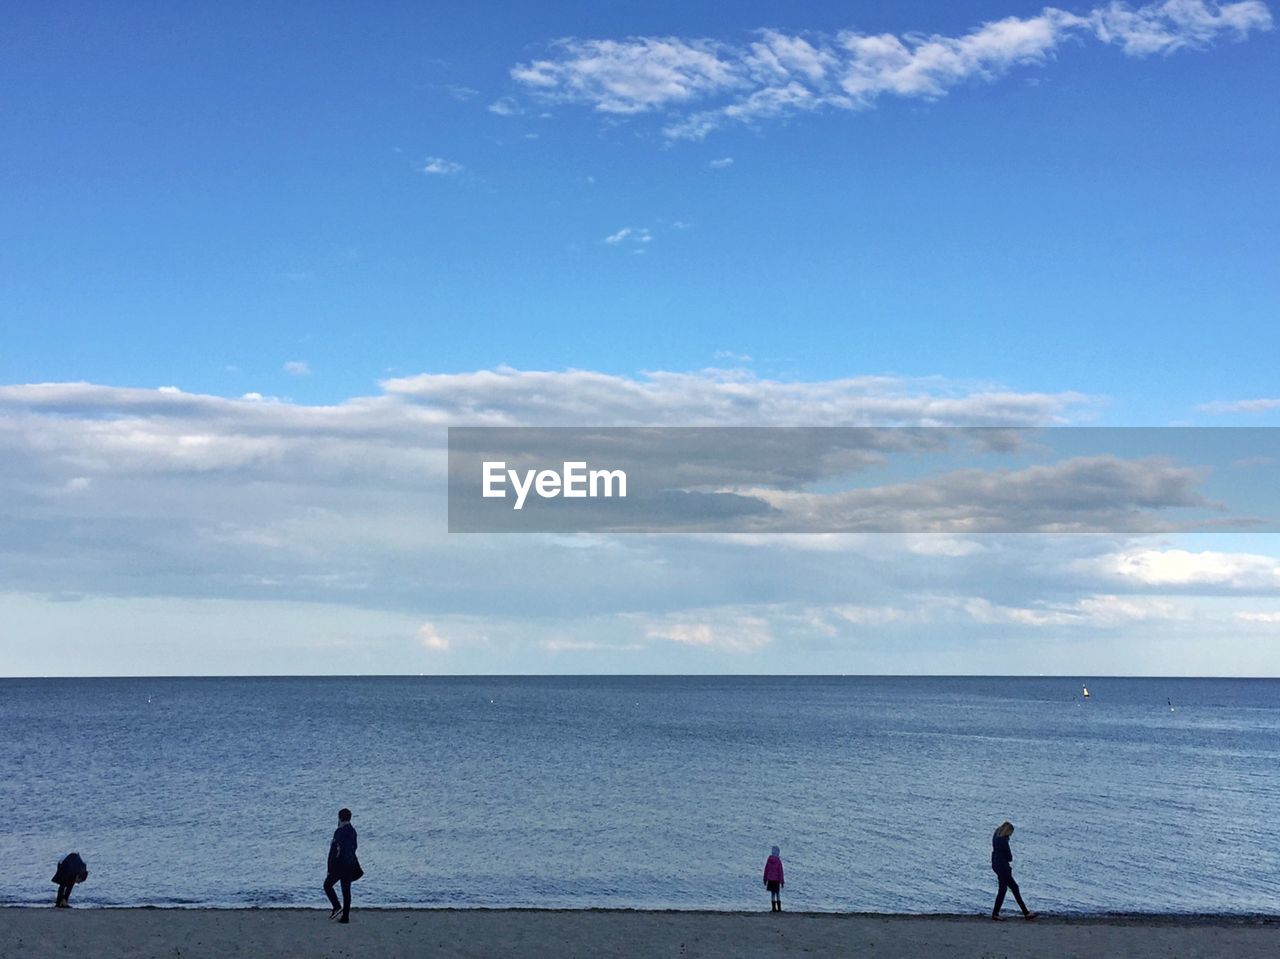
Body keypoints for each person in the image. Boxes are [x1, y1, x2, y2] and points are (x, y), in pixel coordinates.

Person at [990, 822, 1036, 921]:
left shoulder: (996, 835)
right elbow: (1009, 857)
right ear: (1008, 831)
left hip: (995, 863)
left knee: (1003, 889)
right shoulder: (1003, 841)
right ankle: (1025, 913)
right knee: (1013, 888)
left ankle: (996, 913)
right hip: (1003, 867)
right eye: (1010, 833)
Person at [324, 808, 362, 923]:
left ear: (340, 818)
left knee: (327, 885)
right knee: (346, 890)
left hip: (339, 864)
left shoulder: (339, 832)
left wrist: (330, 868)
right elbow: (354, 847)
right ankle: (345, 916)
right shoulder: (353, 831)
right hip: (350, 863)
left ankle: (336, 906)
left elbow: (334, 851)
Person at [763, 845, 785, 912]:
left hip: (770, 879)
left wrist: (765, 879)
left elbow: (766, 869)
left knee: (772, 894)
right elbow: (780, 871)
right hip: (776, 880)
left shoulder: (769, 860)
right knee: (777, 893)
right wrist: (782, 881)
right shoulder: (778, 861)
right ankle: (779, 908)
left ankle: (773, 908)